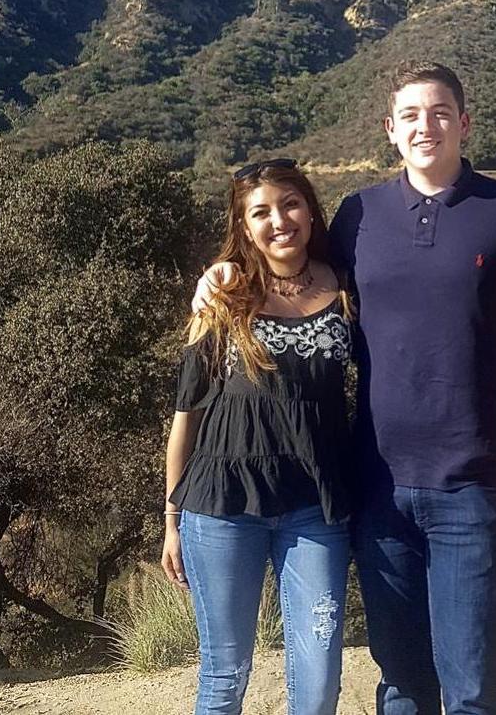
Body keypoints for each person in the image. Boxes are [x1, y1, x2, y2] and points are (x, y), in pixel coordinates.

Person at [195, 62, 496, 715]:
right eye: (411, 115)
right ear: (389, 130)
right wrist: (224, 268)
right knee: (401, 683)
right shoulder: (359, 214)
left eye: (440, 111)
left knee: (474, 687)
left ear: (463, 121)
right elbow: (291, 268)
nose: (425, 125)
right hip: (377, 490)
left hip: (480, 488)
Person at [164, 160, 354, 715]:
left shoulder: (345, 287)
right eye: (261, 212)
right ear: (244, 226)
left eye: (290, 204)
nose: (279, 221)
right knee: (225, 673)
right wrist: (172, 520)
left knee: (318, 678)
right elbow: (186, 416)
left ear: (311, 211)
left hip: (315, 505)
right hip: (222, 505)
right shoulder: (222, 298)